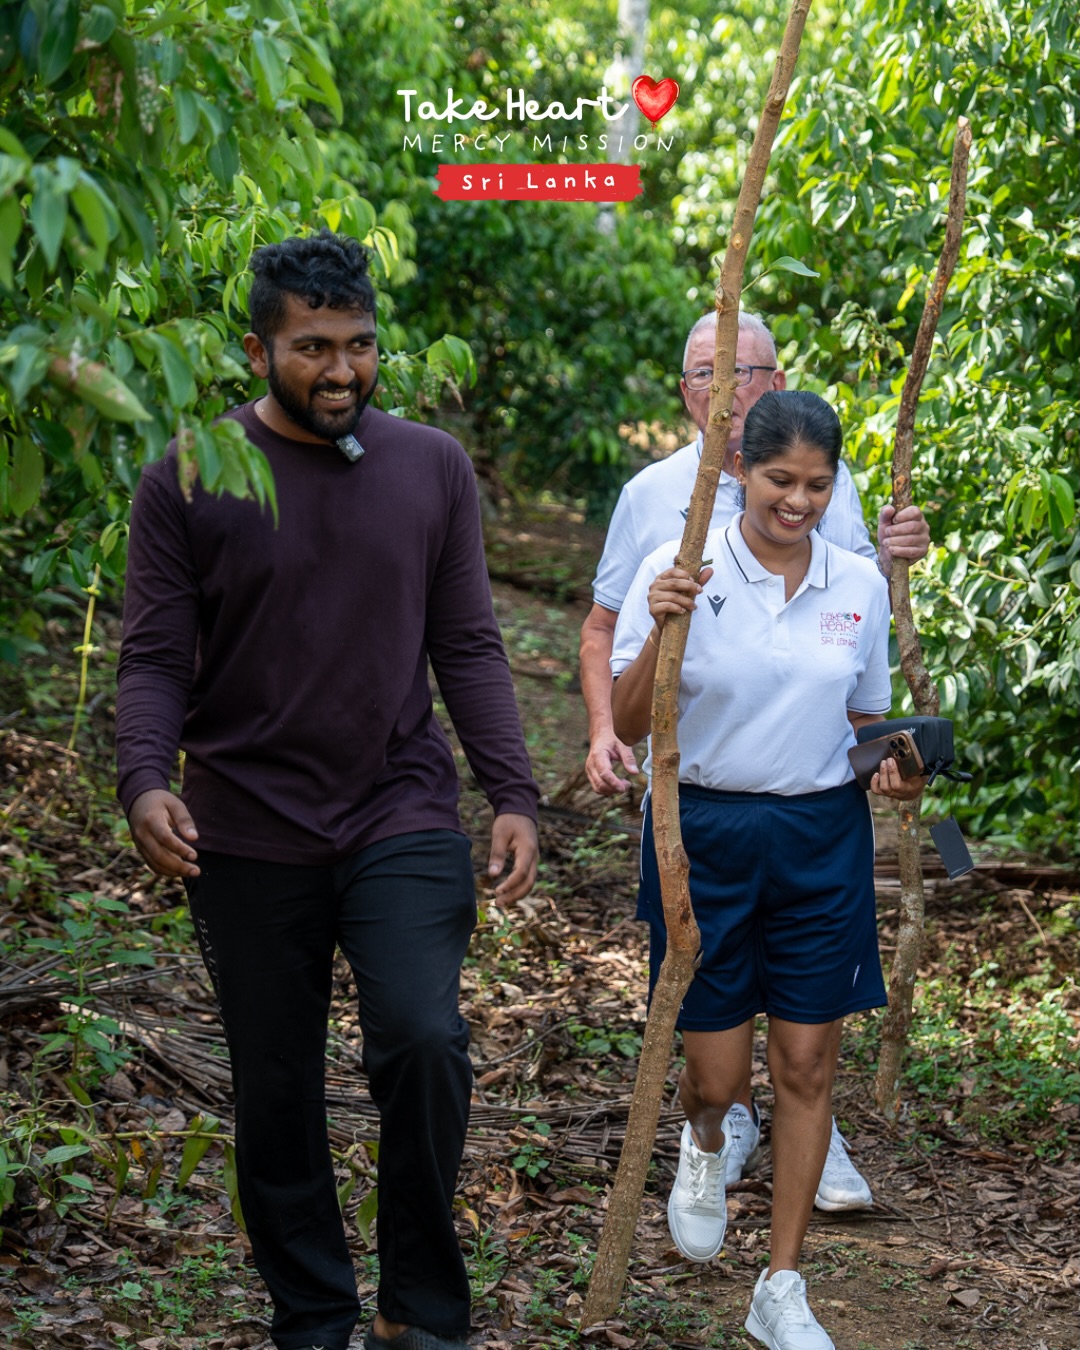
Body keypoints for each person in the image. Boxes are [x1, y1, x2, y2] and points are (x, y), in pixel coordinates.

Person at [115, 231, 540, 1350]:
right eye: (313, 347)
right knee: (276, 1083)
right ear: (258, 351)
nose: (342, 369)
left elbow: (468, 643)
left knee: (424, 1039)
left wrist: (512, 791)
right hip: (245, 826)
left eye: (359, 344)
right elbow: (153, 656)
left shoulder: (431, 467)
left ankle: (421, 1312)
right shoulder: (190, 475)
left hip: (399, 808)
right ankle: (313, 1315)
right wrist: (144, 778)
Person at [579, 311, 930, 1209]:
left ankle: (796, 1214)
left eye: (816, 485)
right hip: (703, 813)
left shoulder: (844, 557)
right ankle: (713, 1124)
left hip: (818, 823)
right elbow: (615, 660)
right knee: (715, 1066)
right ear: (741, 472)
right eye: (710, 372)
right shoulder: (662, 519)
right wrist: (633, 678)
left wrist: (898, 765)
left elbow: (860, 697)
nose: (800, 500)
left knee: (807, 1055)